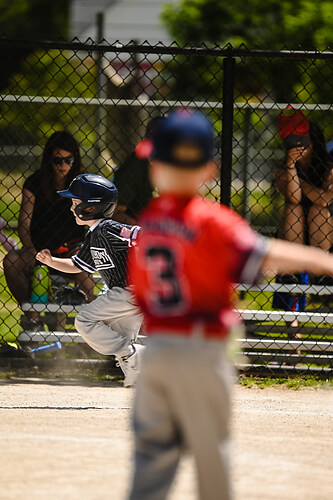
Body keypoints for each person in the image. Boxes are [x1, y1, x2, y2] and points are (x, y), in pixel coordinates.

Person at [127, 108, 333, 500]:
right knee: (211, 450)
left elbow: (142, 291)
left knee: (152, 457)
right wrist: (325, 261)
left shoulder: (152, 219)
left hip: (157, 353)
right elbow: (266, 255)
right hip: (203, 351)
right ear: (210, 169)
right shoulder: (212, 221)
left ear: (154, 166)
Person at [36, 173, 144, 387]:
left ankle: (138, 356)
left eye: (75, 202)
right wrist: (50, 261)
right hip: (130, 295)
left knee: (84, 320)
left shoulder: (106, 228)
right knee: (121, 338)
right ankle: (141, 374)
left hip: (127, 291)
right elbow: (77, 265)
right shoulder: (94, 236)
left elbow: (137, 233)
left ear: (90, 207)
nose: (70, 208)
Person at [3, 131, 95, 331]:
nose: (62, 165)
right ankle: (33, 319)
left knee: (84, 267)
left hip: (71, 250)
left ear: (75, 159)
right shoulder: (34, 183)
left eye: (68, 160)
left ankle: (94, 322)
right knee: (10, 261)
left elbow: (93, 221)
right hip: (39, 250)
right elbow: (24, 223)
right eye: (57, 160)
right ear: (49, 161)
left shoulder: (82, 185)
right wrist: (29, 249)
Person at [273, 107, 333, 347]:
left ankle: (320, 275)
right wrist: (290, 165)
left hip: (324, 237)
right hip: (295, 236)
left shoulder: (328, 165)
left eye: (302, 140)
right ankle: (293, 334)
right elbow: (295, 199)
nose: (299, 146)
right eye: (292, 141)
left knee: (318, 211)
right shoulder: (284, 169)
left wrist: (302, 183)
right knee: (293, 209)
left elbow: (325, 200)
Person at [112, 116, 162, 225]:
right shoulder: (134, 168)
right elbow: (114, 213)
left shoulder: (177, 167)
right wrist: (141, 229)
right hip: (136, 230)